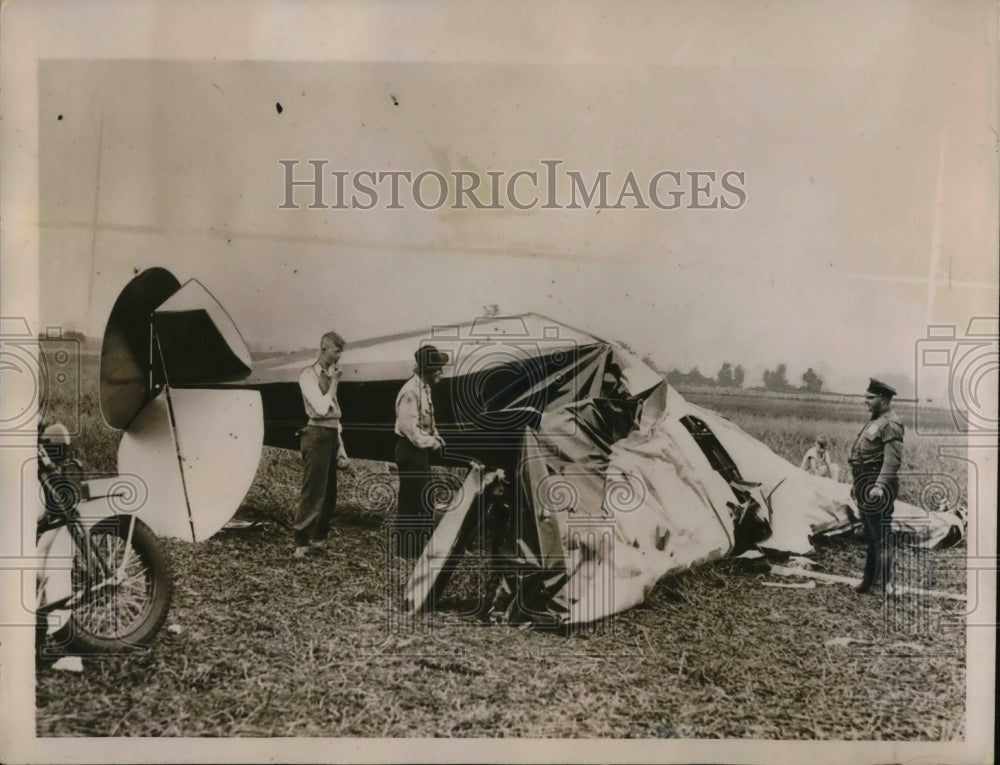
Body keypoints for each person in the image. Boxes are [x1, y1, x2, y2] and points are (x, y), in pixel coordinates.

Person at [293, 331, 350, 558]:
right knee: (313, 489)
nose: (339, 358)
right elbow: (320, 408)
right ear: (324, 348)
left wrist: (342, 448)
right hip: (315, 433)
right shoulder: (307, 375)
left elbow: (335, 416)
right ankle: (301, 541)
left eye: (340, 353)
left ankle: (319, 538)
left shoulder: (329, 373)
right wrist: (334, 382)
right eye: (336, 352)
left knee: (329, 491)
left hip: (330, 433)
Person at [848, 378, 903, 594]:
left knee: (881, 536)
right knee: (871, 535)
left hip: (876, 485)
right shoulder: (876, 420)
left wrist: (879, 486)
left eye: (870, 398)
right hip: (865, 483)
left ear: (882, 399)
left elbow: (892, 460)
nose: (866, 402)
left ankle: (885, 585)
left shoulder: (891, 423)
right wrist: (857, 484)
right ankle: (868, 581)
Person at [393, 344, 449, 559]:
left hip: (419, 451)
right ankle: (406, 552)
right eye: (437, 369)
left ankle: (419, 547)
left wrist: (437, 436)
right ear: (427, 370)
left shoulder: (424, 389)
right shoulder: (410, 392)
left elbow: (429, 422)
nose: (440, 374)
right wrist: (432, 443)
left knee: (423, 498)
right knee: (411, 499)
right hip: (410, 450)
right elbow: (411, 432)